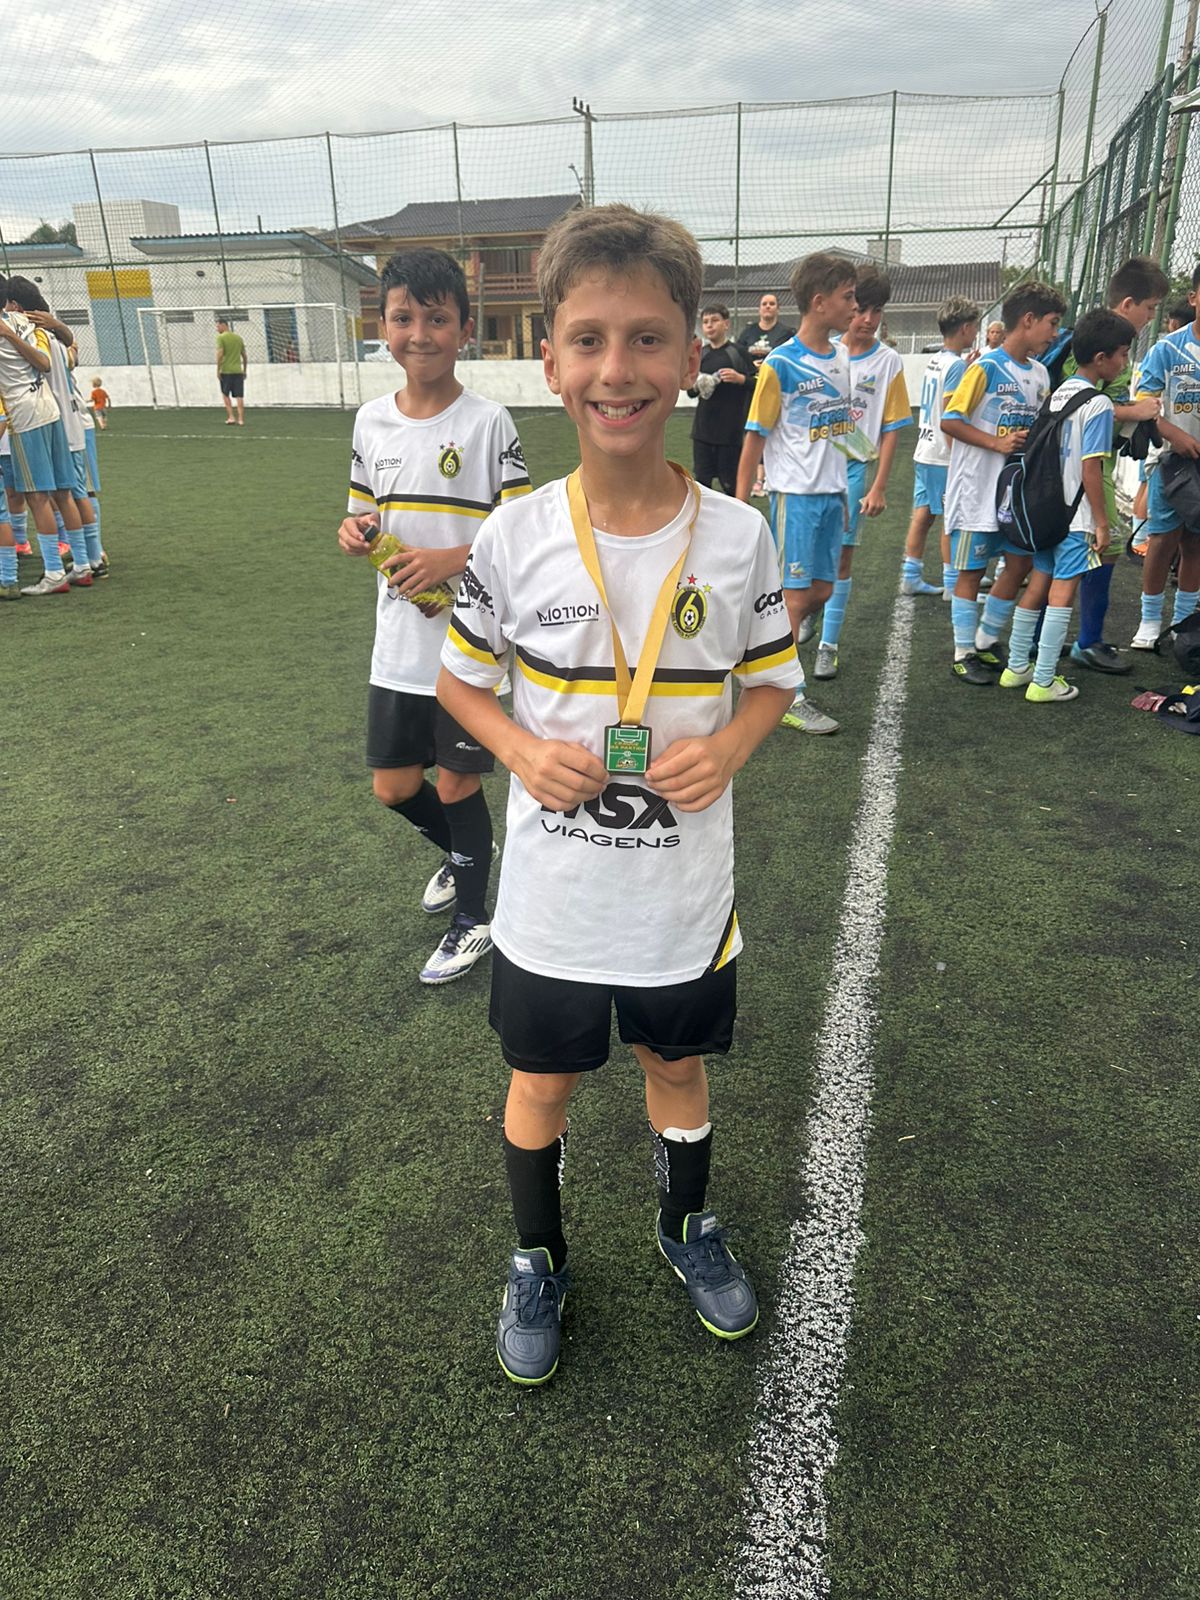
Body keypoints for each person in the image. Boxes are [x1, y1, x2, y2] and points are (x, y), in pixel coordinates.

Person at [436, 203, 801, 1385]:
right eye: (588, 340)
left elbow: (771, 684)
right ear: (549, 361)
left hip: (679, 899)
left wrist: (730, 746)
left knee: (676, 1068)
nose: (617, 369)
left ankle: (686, 1223)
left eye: (648, 339)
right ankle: (536, 1253)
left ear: (693, 358)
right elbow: (460, 682)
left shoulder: (739, 539)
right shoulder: (512, 537)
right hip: (554, 902)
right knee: (540, 1077)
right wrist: (518, 749)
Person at [336, 248, 530, 985]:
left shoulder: (488, 422)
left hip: (465, 643)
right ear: (382, 326)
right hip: (397, 643)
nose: (419, 333)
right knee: (393, 787)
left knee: (456, 785)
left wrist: (449, 558)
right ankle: (464, 855)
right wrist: (354, 532)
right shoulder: (370, 422)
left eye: (437, 318)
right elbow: (363, 513)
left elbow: (520, 528)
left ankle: (474, 921)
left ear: (464, 329)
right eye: (403, 318)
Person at [736, 252, 858, 733]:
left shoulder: (842, 357)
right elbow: (755, 436)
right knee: (794, 597)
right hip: (796, 496)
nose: (855, 307)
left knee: (822, 590)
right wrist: (740, 504)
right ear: (819, 301)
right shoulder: (781, 364)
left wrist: (844, 484)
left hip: (832, 493)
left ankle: (774, 645)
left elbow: (837, 429)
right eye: (848, 297)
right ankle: (789, 695)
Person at [998, 308, 1136, 703]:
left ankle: (1016, 667)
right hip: (1076, 516)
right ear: (1101, 358)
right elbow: (1091, 467)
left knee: (1038, 584)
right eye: (1122, 354)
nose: (1124, 362)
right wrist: (1102, 523)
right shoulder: (1098, 404)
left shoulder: (1058, 393)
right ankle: (1044, 680)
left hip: (1045, 510)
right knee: (1063, 591)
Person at [941, 281, 1065, 683]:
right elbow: (950, 420)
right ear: (1028, 320)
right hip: (978, 490)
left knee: (1020, 563)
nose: (1055, 333)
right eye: (1052, 323)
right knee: (971, 571)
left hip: (1017, 495)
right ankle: (963, 652)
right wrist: (996, 442)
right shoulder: (985, 367)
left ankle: (986, 638)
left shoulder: (1041, 373)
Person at [1056, 256, 1168, 674]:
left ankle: (1065, 640)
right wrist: (1134, 412)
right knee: (1104, 545)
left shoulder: (1107, 342)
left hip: (1094, 459)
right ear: (1127, 304)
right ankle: (1086, 642)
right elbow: (1079, 403)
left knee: (1085, 549)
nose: (1151, 317)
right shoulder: (1092, 346)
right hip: (1085, 463)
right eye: (1150, 308)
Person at [813, 265, 911, 680]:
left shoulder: (889, 362)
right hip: (813, 470)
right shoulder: (822, 353)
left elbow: (891, 429)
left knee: (842, 557)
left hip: (853, 472)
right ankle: (810, 607)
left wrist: (879, 486)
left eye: (877, 310)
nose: (868, 319)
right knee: (807, 555)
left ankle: (828, 645)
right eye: (861, 309)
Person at [4, 278, 102, 586]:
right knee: (71, 492)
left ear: (15, 304)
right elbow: (73, 354)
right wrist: (59, 326)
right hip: (62, 417)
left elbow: (45, 363)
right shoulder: (44, 332)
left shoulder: (17, 330)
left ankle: (59, 570)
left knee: (39, 496)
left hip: (32, 418)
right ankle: (88, 560)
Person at [1129, 262, 1200, 647]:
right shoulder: (1167, 350)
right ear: (1193, 298)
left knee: (1195, 544)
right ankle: (1150, 620)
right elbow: (1145, 406)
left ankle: (1183, 623)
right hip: (1172, 463)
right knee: (1162, 540)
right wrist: (1173, 433)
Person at [901, 295, 980, 599]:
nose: (976, 332)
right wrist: (957, 457)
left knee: (923, 514)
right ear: (965, 328)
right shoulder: (956, 365)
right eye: (974, 326)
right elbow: (950, 414)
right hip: (942, 456)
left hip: (925, 449)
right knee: (952, 519)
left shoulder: (937, 359)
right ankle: (952, 584)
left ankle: (911, 575)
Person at [687, 303, 754, 495]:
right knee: (702, 487)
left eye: (714, 320)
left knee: (731, 486)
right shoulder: (701, 354)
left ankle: (739, 515)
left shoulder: (738, 352)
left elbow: (757, 383)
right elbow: (691, 392)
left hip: (730, 433)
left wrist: (740, 379)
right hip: (703, 432)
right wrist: (698, 384)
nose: (709, 325)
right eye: (705, 322)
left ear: (726, 324)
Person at [736, 292, 795, 367]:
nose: (768, 306)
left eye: (772, 304)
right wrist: (751, 365)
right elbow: (738, 355)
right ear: (759, 309)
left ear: (778, 309)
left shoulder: (787, 333)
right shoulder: (747, 332)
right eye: (764, 304)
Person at [215, 318, 247, 425]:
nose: (217, 329)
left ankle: (231, 417)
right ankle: (241, 419)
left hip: (226, 371)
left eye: (218, 326)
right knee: (239, 396)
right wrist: (244, 370)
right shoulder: (238, 338)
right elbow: (244, 356)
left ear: (224, 325)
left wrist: (218, 369)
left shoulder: (221, 338)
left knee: (225, 394)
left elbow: (220, 354)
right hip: (238, 371)